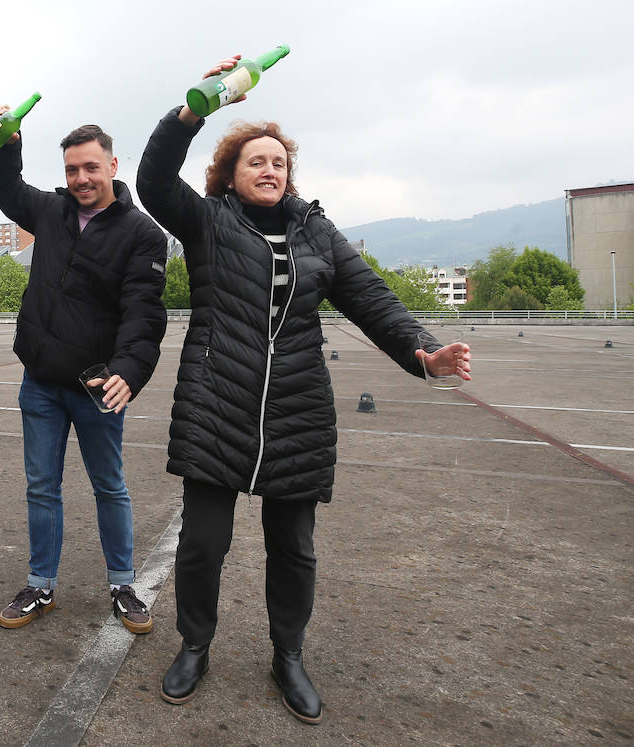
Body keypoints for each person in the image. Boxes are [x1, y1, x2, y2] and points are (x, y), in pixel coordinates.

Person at [135, 56, 472, 724]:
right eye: (254, 161)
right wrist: (194, 110)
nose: (268, 169)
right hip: (215, 408)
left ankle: (287, 654)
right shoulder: (206, 222)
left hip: (297, 412)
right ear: (229, 173)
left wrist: (423, 351)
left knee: (294, 547)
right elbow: (150, 180)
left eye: (278, 162)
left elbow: (372, 298)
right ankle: (194, 645)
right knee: (203, 544)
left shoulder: (316, 231)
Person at [0, 110, 168, 636]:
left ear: (113, 164)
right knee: (41, 487)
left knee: (108, 485)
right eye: (71, 170)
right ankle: (40, 584)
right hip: (40, 380)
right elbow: (6, 189)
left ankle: (123, 584)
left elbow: (143, 312)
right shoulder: (51, 211)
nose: (81, 179)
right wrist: (5, 142)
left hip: (96, 387)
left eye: (90, 167)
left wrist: (129, 371)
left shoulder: (141, 234)